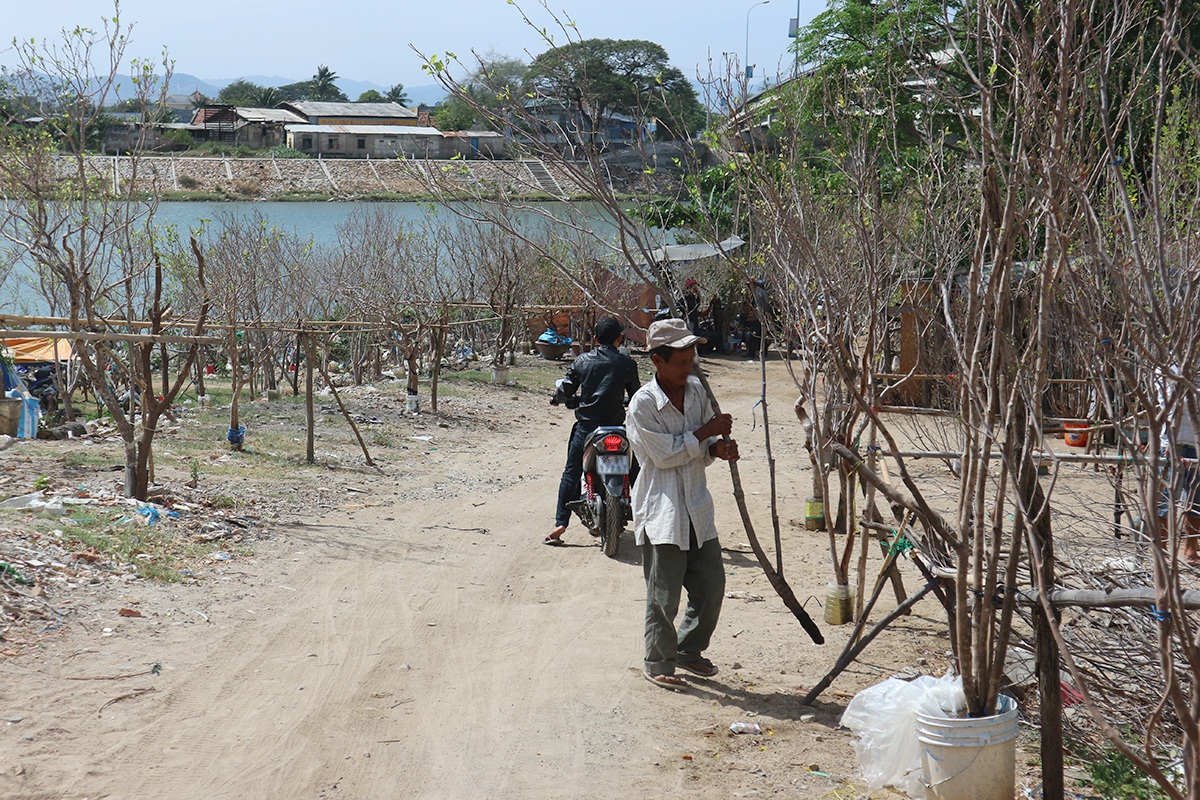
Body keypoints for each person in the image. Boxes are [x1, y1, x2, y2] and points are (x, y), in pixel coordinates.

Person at [626, 318, 739, 690]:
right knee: (664, 595)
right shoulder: (642, 405)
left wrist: (718, 449)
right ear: (658, 361)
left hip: (697, 505)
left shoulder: (696, 391)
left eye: (692, 357)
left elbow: (702, 448)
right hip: (662, 511)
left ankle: (689, 650)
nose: (689, 365)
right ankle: (659, 660)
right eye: (680, 360)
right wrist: (706, 433)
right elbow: (663, 456)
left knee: (712, 586)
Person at [545, 317, 641, 546]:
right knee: (637, 471)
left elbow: (566, 389)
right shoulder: (627, 364)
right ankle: (652, 515)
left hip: (588, 428)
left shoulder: (582, 361)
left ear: (595, 339)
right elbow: (637, 395)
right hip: (617, 428)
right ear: (619, 338)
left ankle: (560, 523)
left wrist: (556, 399)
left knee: (571, 472)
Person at [1157, 369, 1200, 565]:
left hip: (1197, 442)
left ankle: (1191, 550)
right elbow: (1172, 401)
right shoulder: (1166, 365)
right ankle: (1163, 549)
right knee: (1165, 501)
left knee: (1196, 501)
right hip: (1172, 442)